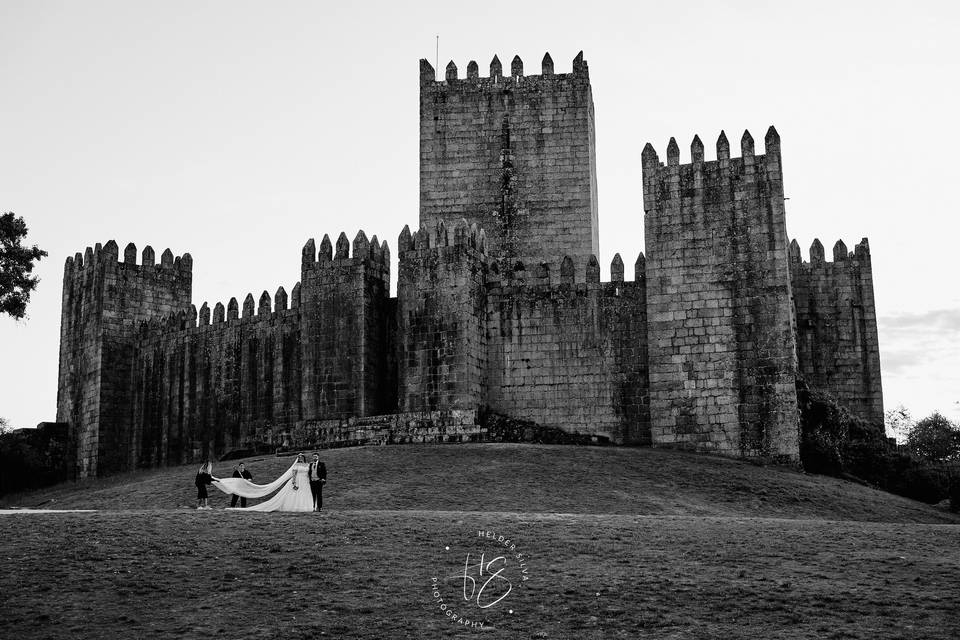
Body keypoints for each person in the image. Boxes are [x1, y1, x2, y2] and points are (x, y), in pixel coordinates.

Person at [212, 453, 313, 512]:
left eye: (301, 457)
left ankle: (306, 506)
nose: (300, 458)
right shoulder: (296, 465)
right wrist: (294, 482)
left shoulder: (308, 465)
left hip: (305, 481)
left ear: (304, 458)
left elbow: (309, 473)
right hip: (297, 480)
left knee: (304, 493)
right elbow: (294, 474)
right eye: (299, 457)